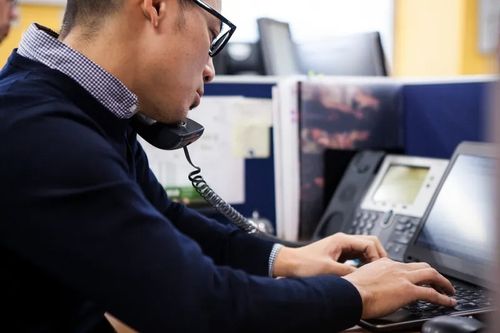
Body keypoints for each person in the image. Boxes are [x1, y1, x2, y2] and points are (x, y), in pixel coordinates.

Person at [0, 0, 456, 332]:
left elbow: (167, 218)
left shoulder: (80, 103)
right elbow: (197, 306)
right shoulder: (41, 129)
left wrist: (285, 259)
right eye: (211, 31)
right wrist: (361, 294)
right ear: (155, 6)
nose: (212, 69)